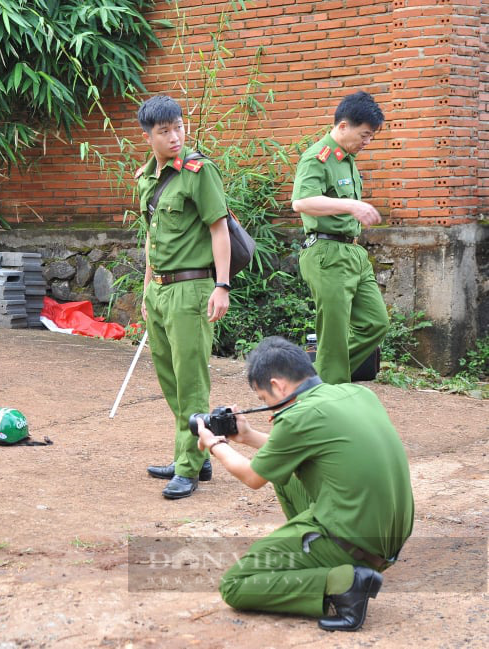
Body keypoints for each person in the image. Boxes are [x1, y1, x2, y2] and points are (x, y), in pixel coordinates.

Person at [193, 336, 414, 631]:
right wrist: (246, 437)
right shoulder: (355, 394)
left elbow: (252, 476)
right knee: (282, 475)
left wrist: (213, 443)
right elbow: (299, 448)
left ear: (279, 386)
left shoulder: (298, 416)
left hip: (356, 541)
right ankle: (321, 556)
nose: (267, 406)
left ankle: (343, 582)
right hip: (388, 539)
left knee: (236, 584)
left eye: (264, 399)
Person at [134, 95, 232, 500]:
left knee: (191, 383)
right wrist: (145, 290)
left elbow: (219, 229)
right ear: (148, 136)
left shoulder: (198, 172)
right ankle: (197, 453)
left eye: (178, 127)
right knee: (171, 382)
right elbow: (151, 238)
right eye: (164, 131)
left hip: (192, 290)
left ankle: (188, 469)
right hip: (159, 292)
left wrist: (222, 285)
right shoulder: (146, 178)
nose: (175, 137)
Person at [291, 90, 389, 384]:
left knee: (376, 324)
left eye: (371, 136)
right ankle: (329, 400)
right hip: (326, 252)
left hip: (353, 254)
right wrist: (351, 205)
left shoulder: (346, 159)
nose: (367, 141)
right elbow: (301, 202)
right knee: (333, 338)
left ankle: (313, 381)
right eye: (365, 134)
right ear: (343, 126)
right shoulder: (317, 158)